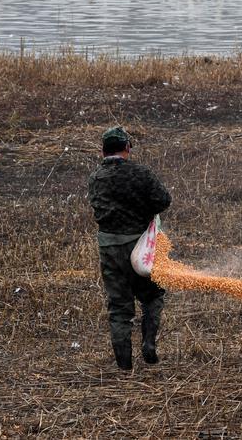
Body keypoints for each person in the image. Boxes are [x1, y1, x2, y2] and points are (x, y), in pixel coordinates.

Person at [87, 126, 172, 370]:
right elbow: (163, 200)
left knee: (119, 306)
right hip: (140, 248)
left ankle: (124, 365)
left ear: (103, 151)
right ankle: (149, 345)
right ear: (127, 147)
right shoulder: (140, 173)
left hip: (109, 248)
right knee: (153, 296)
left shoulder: (95, 178)